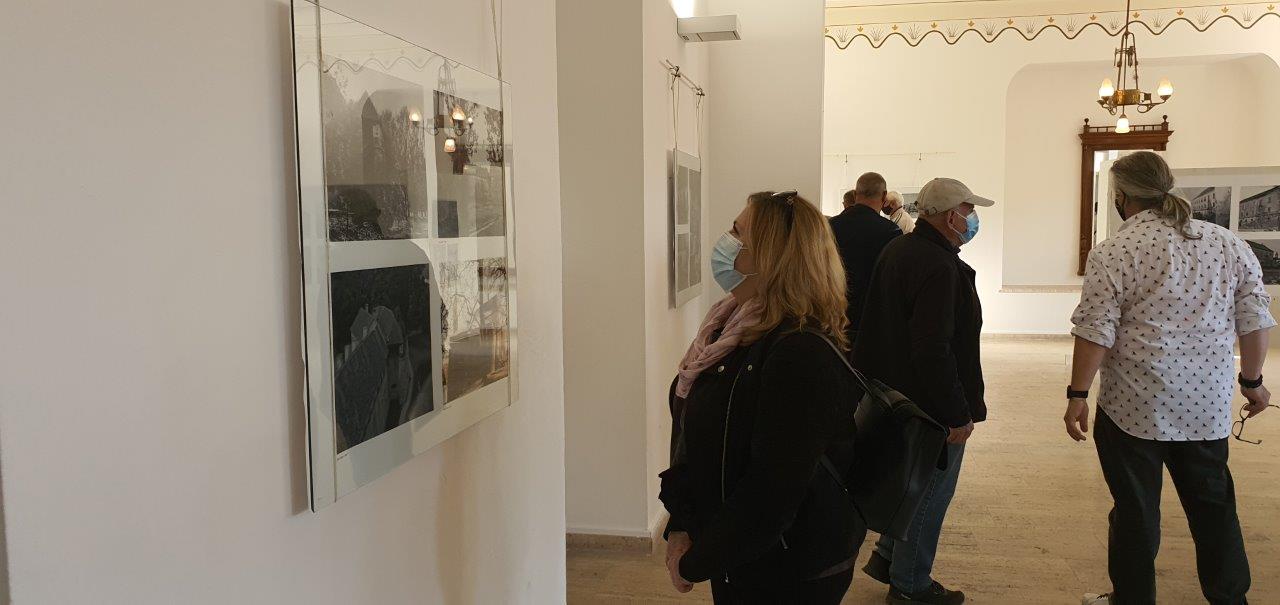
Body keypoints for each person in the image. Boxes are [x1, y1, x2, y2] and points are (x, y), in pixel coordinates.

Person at [1065, 151, 1275, 605]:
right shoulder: (1227, 243)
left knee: (1135, 513)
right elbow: (1255, 319)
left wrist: (1077, 394)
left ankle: (1132, 599)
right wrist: (1252, 382)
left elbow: (1096, 330)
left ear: (1122, 196)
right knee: (1214, 510)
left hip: (1133, 407)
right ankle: (1230, 599)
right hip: (1205, 408)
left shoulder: (1114, 251)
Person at [659, 190, 867, 604]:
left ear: (770, 258)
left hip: (789, 568)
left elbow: (772, 493)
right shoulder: (729, 327)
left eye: (737, 233)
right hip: (739, 553)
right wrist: (681, 523)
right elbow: (699, 438)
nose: (724, 243)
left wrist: (697, 562)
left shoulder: (799, 351)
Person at [853, 177, 994, 605]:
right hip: (929, 404)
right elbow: (933, 349)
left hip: (899, 395)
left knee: (912, 484)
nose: (972, 219)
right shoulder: (939, 266)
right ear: (951, 217)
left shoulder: (901, 249)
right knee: (931, 492)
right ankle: (910, 584)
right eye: (969, 211)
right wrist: (956, 413)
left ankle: (887, 557)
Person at [829, 172, 902, 340]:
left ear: (855, 194)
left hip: (836, 313)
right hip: (873, 317)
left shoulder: (830, 226)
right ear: (884, 196)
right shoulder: (891, 231)